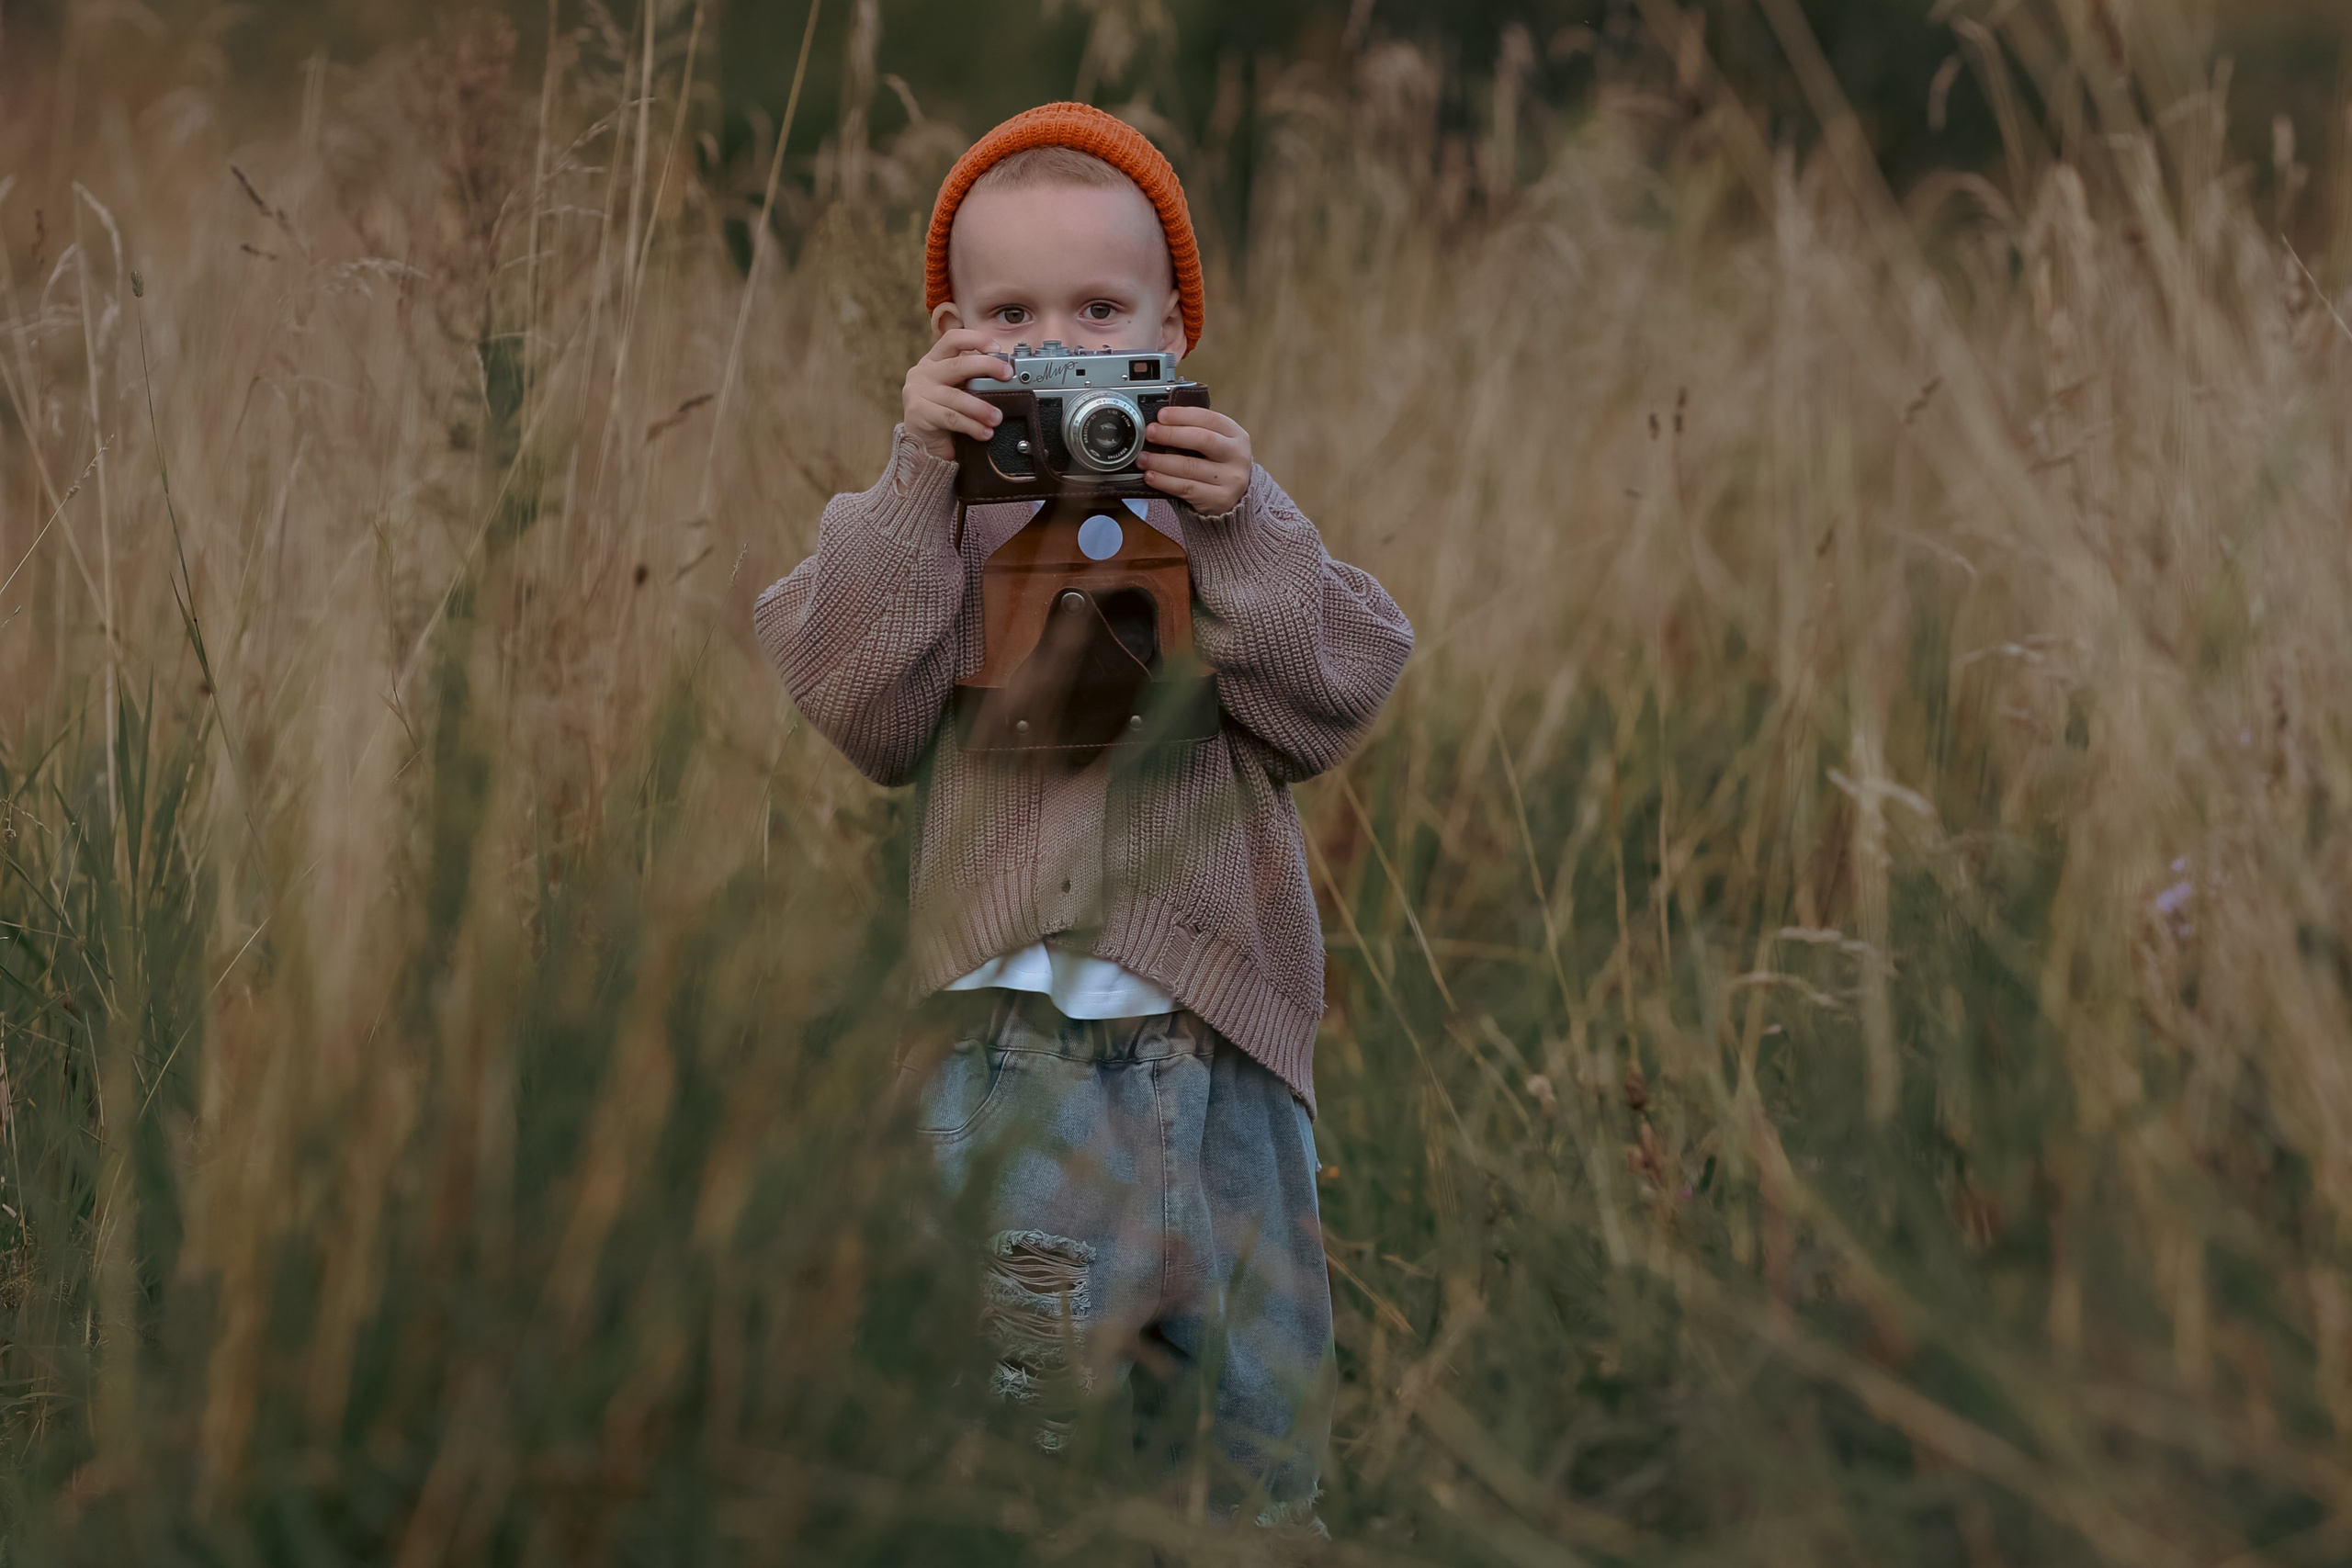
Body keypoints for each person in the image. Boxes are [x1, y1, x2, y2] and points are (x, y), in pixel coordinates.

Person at [753, 102, 1411, 1538]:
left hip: (1225, 1046)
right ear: (946, 333)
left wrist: (1241, 523)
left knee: (1257, 1432)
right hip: (1018, 1054)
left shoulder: (1216, 507)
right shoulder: (932, 525)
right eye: (1014, 319)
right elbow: (858, 704)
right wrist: (921, 469)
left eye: (1100, 313)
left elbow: (1333, 702)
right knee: (1029, 1431)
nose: (1060, 351)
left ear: (1173, 333)